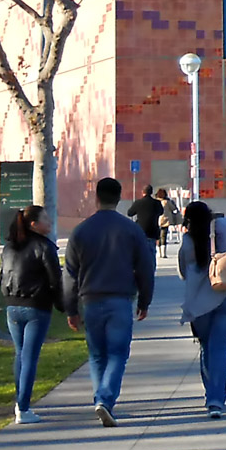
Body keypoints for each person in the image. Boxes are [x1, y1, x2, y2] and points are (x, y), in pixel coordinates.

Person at [64, 177, 156, 427]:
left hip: (91, 299)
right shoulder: (131, 230)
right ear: (119, 197)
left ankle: (100, 399)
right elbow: (145, 268)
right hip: (120, 298)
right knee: (118, 353)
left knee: (97, 355)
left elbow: (70, 273)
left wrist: (71, 308)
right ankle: (105, 399)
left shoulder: (81, 231)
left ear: (97, 197)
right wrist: (145, 300)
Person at [178, 199, 226, 419]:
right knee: (220, 347)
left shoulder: (188, 239)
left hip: (200, 303)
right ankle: (216, 400)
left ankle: (210, 394)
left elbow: (183, 272)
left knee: (206, 346)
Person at [0, 204, 62, 424]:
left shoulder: (9, 247)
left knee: (20, 354)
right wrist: (64, 305)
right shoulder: (45, 247)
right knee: (29, 357)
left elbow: (0, 275)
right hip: (36, 306)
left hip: (12, 305)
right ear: (34, 224)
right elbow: (56, 280)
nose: (50, 222)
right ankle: (23, 408)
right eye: (46, 218)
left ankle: (20, 402)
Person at [128, 183, 166, 256]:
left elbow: (130, 213)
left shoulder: (138, 202)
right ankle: (152, 266)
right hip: (153, 231)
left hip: (140, 231)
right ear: (151, 192)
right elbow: (161, 212)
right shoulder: (157, 203)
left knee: (140, 253)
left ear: (143, 192)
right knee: (152, 253)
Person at [159, 188, 181, 258]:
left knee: (158, 236)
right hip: (165, 220)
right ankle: (163, 253)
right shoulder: (167, 202)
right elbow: (173, 209)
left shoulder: (155, 201)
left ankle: (159, 252)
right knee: (163, 236)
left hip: (157, 220)